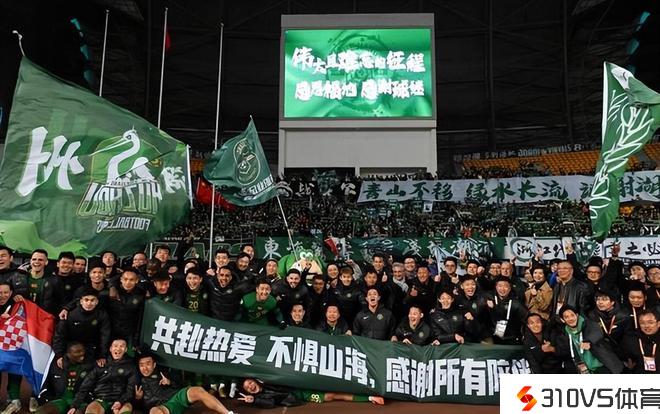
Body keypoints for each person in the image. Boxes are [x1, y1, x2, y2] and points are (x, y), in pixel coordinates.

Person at [135, 354, 235, 414]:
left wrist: (170, 382)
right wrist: (137, 399)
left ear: (154, 364)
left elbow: (181, 385)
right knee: (156, 411)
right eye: (141, 365)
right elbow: (137, 405)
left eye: (148, 364)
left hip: (176, 399)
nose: (145, 368)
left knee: (198, 390)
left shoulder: (164, 372)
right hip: (159, 407)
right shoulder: (137, 379)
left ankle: (228, 413)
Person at [69, 338, 138, 414]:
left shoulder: (131, 366)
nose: (118, 349)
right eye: (115, 346)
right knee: (92, 409)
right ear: (110, 349)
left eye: (122, 346)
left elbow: (130, 390)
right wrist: (74, 406)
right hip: (101, 400)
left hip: (121, 401)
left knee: (127, 408)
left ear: (126, 350)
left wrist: (120, 401)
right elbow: (85, 387)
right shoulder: (101, 364)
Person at [52, 287, 111, 369]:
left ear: (97, 302)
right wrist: (59, 355)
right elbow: (59, 336)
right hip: (71, 347)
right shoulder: (70, 314)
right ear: (81, 301)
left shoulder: (102, 315)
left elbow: (105, 336)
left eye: (92, 300)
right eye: (86, 300)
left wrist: (102, 355)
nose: (89, 303)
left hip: (91, 347)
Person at [559, 305, 624, 374]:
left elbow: (597, 332)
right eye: (566, 317)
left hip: (602, 366)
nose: (571, 319)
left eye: (572, 315)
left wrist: (588, 341)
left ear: (577, 315)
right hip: (585, 369)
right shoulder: (565, 334)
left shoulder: (588, 324)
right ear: (562, 320)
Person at [238, 378, 383, 408]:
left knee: (334, 383)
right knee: (331, 396)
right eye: (247, 387)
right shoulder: (260, 397)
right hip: (302, 395)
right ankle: (370, 397)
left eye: (249, 382)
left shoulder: (268, 380)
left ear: (254, 381)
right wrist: (255, 400)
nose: (250, 386)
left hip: (302, 382)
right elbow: (270, 404)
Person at [38, 342, 93, 414]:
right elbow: (46, 384)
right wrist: (47, 399)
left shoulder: (89, 367)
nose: (82, 355)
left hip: (81, 402)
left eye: (83, 351)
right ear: (68, 354)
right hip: (61, 400)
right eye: (77, 352)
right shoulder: (56, 366)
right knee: (43, 411)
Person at [486, 276, 528, 345]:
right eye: (500, 286)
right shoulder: (489, 299)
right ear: (496, 287)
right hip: (493, 337)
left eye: (505, 286)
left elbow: (527, 318)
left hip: (511, 338)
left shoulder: (516, 303)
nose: (502, 289)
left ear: (510, 288)